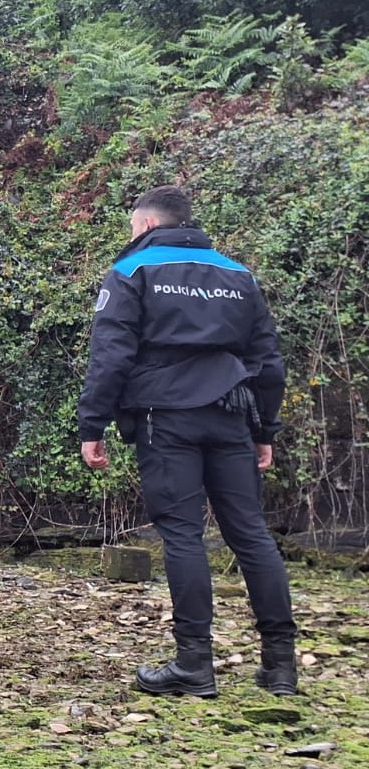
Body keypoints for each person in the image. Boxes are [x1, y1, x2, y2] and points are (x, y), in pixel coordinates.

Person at [78, 184, 296, 698]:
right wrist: (265, 429)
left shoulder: (133, 271)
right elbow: (267, 359)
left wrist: (93, 426)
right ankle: (280, 666)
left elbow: (110, 356)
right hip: (232, 415)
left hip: (166, 417)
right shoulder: (238, 275)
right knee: (251, 535)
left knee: (181, 535)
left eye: (133, 228)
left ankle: (194, 664)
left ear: (149, 225)